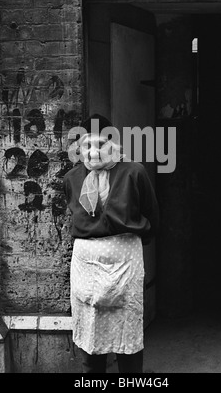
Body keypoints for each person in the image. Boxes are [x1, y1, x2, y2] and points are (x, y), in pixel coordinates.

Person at [63, 114, 159, 373]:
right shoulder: (73, 177)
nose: (94, 152)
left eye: (101, 144)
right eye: (87, 145)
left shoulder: (133, 172)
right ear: (79, 147)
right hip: (86, 266)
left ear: (113, 144)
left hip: (125, 262)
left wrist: (134, 238)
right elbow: (73, 212)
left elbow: (151, 213)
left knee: (127, 331)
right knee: (91, 334)